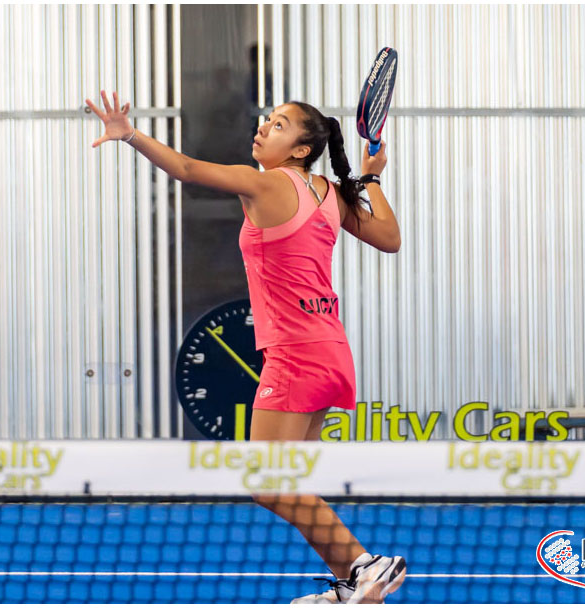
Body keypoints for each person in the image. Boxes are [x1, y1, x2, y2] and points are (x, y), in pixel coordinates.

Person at [86, 90, 404, 604]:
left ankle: (366, 564)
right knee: (287, 483)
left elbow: (187, 169)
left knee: (267, 482)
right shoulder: (329, 192)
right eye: (268, 119)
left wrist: (131, 135)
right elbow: (389, 237)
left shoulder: (266, 184)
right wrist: (370, 179)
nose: (263, 127)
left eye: (279, 125)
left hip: (296, 355)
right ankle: (352, 583)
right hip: (330, 351)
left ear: (301, 149)